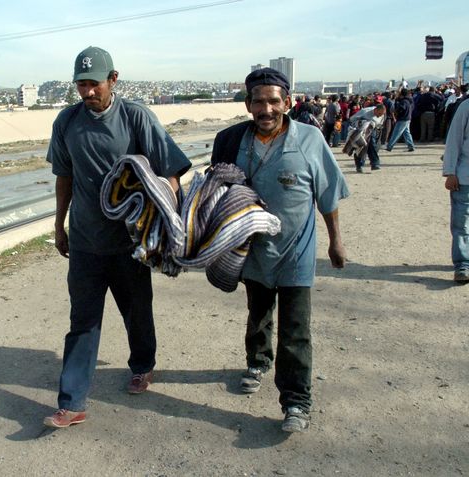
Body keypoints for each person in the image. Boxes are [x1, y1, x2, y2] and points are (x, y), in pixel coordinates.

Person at [43, 46, 191, 428]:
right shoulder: (67, 122)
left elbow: (172, 171)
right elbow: (64, 177)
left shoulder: (136, 117)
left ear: (113, 79)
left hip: (130, 244)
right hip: (86, 242)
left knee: (137, 311)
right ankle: (72, 402)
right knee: (82, 322)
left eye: (94, 84)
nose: (88, 92)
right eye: (81, 85)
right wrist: (59, 225)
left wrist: (165, 218)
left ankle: (142, 365)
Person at [210, 68, 349, 433]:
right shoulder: (231, 142)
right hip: (252, 251)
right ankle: (258, 362)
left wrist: (335, 240)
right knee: (258, 314)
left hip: (296, 252)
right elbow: (215, 194)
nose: (267, 109)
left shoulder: (310, 139)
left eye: (274, 101)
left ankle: (296, 402)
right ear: (248, 105)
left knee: (295, 329)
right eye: (259, 102)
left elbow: (327, 196)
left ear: (287, 102)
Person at [442, 99, 469, 282]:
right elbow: (454, 140)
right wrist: (450, 172)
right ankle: (463, 264)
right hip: (465, 176)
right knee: (461, 224)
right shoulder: (466, 107)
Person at [349, 103, 386, 172]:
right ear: (376, 110)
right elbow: (352, 119)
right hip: (361, 130)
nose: (380, 116)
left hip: (373, 130)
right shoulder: (365, 112)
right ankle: (359, 166)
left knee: (372, 145)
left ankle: (375, 164)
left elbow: (380, 124)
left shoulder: (382, 115)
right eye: (379, 113)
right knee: (361, 147)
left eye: (382, 114)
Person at [386, 88, 416, 152]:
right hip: (407, 118)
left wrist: (396, 111)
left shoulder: (403, 101)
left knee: (396, 133)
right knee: (406, 133)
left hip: (402, 119)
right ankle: (411, 146)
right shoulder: (409, 100)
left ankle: (389, 146)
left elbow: (401, 108)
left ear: (402, 94)